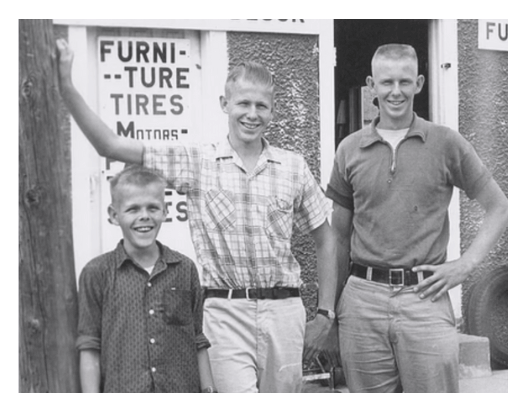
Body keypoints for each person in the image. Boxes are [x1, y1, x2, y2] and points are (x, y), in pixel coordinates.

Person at [56, 39, 337, 393]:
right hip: (224, 310)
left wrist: (325, 314)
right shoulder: (198, 162)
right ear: (225, 104)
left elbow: (326, 238)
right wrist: (66, 85)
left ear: (273, 110)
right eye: (243, 104)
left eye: (261, 106)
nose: (252, 113)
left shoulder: (293, 166)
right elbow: (111, 146)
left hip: (284, 311)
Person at [326, 44, 508, 393]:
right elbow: (338, 236)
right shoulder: (349, 149)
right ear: (371, 84)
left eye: (404, 81)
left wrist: (464, 266)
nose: (395, 91)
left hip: (423, 298)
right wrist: (334, 311)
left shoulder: (446, 143)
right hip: (362, 298)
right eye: (386, 82)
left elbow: (500, 208)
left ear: (420, 83)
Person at [76, 165, 215, 392]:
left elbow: (197, 339)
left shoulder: (185, 269)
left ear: (165, 211)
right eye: (133, 209)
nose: (144, 216)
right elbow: (90, 346)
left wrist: (210, 393)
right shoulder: (97, 273)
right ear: (114, 215)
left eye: (153, 208)